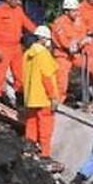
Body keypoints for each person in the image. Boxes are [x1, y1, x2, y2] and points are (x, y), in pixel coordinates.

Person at [0, 0, 37, 98]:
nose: (18, 1)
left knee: (20, 73)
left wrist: (39, 33)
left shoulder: (18, 10)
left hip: (16, 47)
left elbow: (27, 23)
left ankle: (20, 95)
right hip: (3, 47)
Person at [22, 25, 61, 158]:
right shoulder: (43, 54)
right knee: (46, 126)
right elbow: (48, 77)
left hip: (31, 97)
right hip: (44, 98)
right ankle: (45, 154)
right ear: (44, 39)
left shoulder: (27, 54)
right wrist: (54, 97)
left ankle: (29, 149)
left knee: (31, 123)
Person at [51, 0, 88, 97]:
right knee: (61, 84)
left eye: (77, 10)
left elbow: (82, 34)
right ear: (66, 12)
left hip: (75, 55)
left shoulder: (77, 22)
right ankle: (57, 104)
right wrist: (81, 43)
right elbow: (66, 44)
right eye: (74, 11)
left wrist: (85, 40)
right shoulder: (59, 23)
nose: (76, 13)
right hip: (62, 56)